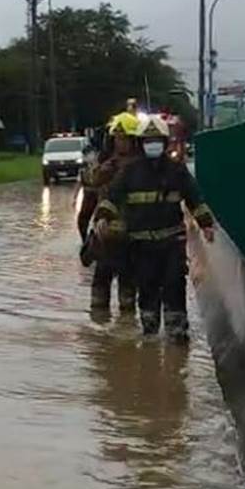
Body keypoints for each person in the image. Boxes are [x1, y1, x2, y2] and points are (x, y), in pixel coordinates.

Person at [95, 115, 214, 342]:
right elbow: (112, 197)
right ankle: (149, 331)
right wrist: (103, 217)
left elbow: (194, 199)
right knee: (146, 287)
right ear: (141, 143)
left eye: (156, 140)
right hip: (141, 244)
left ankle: (176, 332)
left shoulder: (177, 171)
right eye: (148, 140)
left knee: (174, 284)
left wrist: (206, 225)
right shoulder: (129, 172)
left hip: (172, 242)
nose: (152, 144)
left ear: (164, 142)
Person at [88, 111, 140, 315]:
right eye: (116, 138)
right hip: (106, 235)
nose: (120, 143)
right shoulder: (107, 163)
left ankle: (124, 329)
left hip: (131, 235)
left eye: (124, 138)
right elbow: (92, 181)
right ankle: (102, 328)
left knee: (128, 288)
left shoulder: (141, 166)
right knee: (100, 285)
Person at [73, 144, 98, 242]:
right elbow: (79, 183)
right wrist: (75, 198)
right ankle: (85, 240)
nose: (88, 156)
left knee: (100, 217)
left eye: (90, 154)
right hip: (88, 196)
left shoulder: (103, 166)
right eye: (86, 154)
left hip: (100, 195)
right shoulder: (83, 169)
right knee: (82, 219)